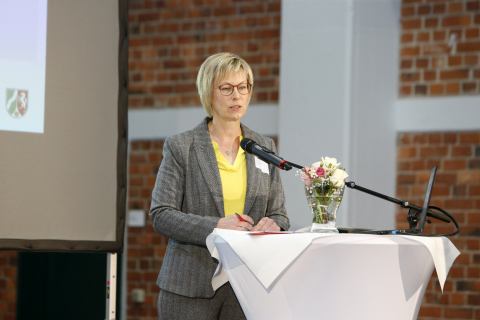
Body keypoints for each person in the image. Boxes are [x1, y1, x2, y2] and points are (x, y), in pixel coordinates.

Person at [149, 52, 290, 320]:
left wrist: (275, 224)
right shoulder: (182, 147)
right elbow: (161, 215)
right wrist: (215, 226)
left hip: (247, 285)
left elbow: (279, 213)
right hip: (190, 286)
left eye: (243, 87)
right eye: (226, 88)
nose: (237, 96)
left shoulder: (264, 147)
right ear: (208, 93)